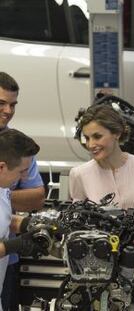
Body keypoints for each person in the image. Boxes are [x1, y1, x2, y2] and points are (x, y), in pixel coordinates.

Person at [69, 104, 134, 311]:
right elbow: (76, 230)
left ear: (116, 133)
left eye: (97, 136)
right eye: (86, 138)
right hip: (99, 274)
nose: (91, 144)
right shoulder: (79, 175)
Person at [0, 72, 45, 311]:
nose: (8, 110)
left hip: (7, 265)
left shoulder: (18, 145)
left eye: (13, 104)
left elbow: (37, 196)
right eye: (1, 103)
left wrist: (25, 226)